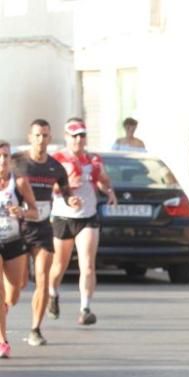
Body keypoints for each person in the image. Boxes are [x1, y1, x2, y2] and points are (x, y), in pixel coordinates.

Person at [12, 119, 79, 346]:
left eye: (45, 136)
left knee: (42, 279)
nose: (41, 140)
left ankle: (35, 329)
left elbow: (66, 191)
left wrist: (72, 200)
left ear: (50, 139)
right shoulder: (17, 163)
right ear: (30, 137)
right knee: (17, 286)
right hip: (17, 229)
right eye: (37, 135)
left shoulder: (55, 167)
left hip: (42, 228)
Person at [49, 118, 117, 326]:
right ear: (67, 137)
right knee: (60, 265)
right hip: (63, 217)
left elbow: (101, 179)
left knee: (87, 265)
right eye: (74, 135)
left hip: (87, 216)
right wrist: (66, 186)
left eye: (82, 135)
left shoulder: (93, 159)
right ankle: (53, 293)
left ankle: (85, 308)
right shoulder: (57, 159)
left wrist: (109, 191)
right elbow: (49, 187)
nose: (79, 139)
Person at [0, 140, 39, 358]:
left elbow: (35, 212)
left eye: (5, 156)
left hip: (15, 241)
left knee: (14, 292)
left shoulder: (20, 183)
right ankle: (2, 340)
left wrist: (22, 212)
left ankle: (3, 310)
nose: (2, 161)